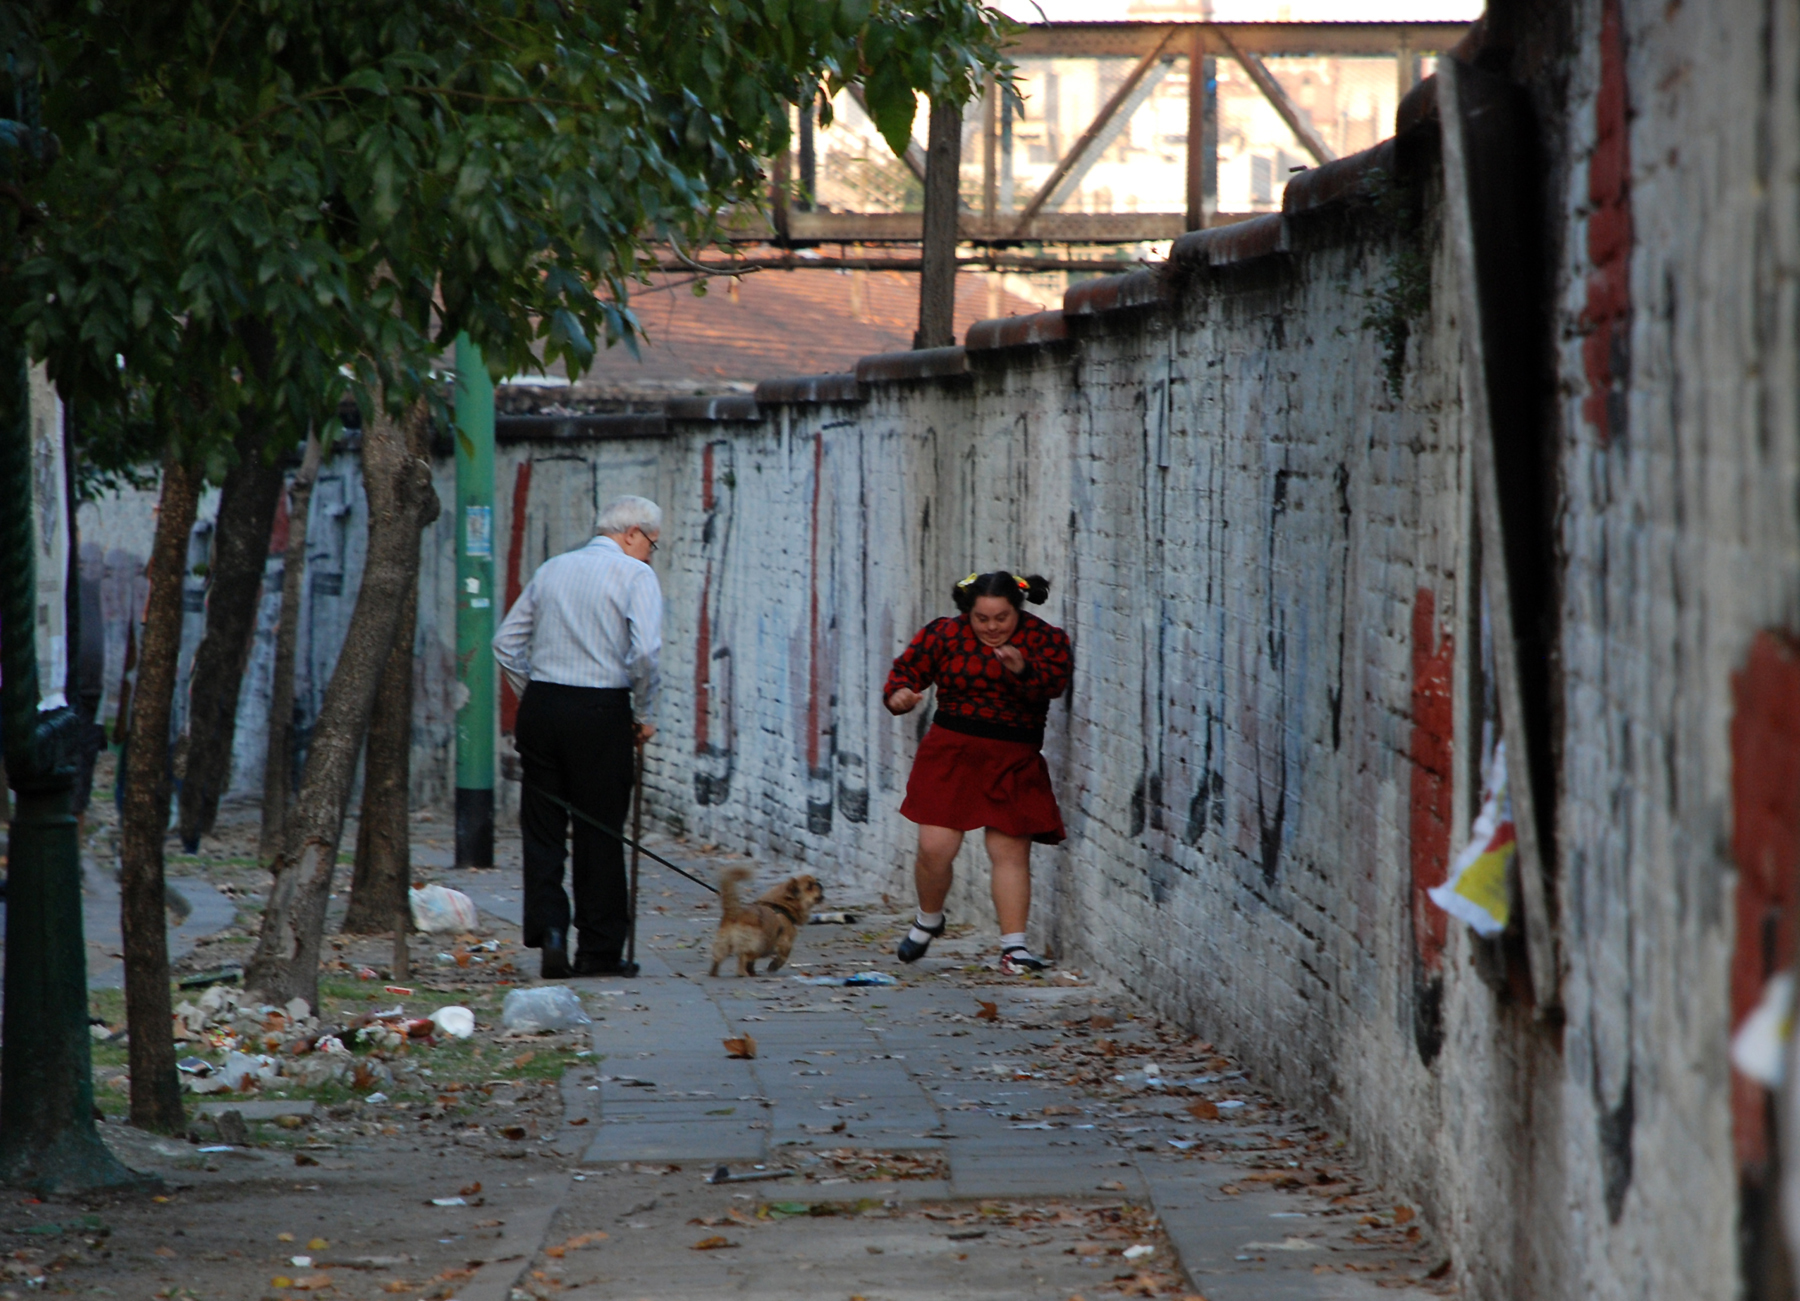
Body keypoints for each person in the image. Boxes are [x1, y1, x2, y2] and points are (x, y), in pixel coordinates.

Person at [493, 495, 663, 979]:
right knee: (600, 830)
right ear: (631, 533)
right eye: (652, 543)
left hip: (543, 709)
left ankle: (550, 933)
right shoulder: (636, 576)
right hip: (601, 710)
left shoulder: (552, 569)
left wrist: (538, 693)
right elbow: (646, 653)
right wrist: (644, 711)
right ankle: (598, 950)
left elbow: (506, 644)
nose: (652, 553)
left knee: (544, 829)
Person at [883, 570, 1072, 975]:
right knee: (935, 849)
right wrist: (899, 696)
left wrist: (1022, 669)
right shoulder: (944, 634)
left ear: (1017, 610)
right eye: (981, 619)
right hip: (951, 751)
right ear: (967, 612)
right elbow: (907, 671)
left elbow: (1054, 684)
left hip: (1013, 755)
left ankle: (1013, 948)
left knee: (1009, 853)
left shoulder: (1044, 639)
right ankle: (928, 919)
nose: (991, 627)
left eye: (1001, 618)